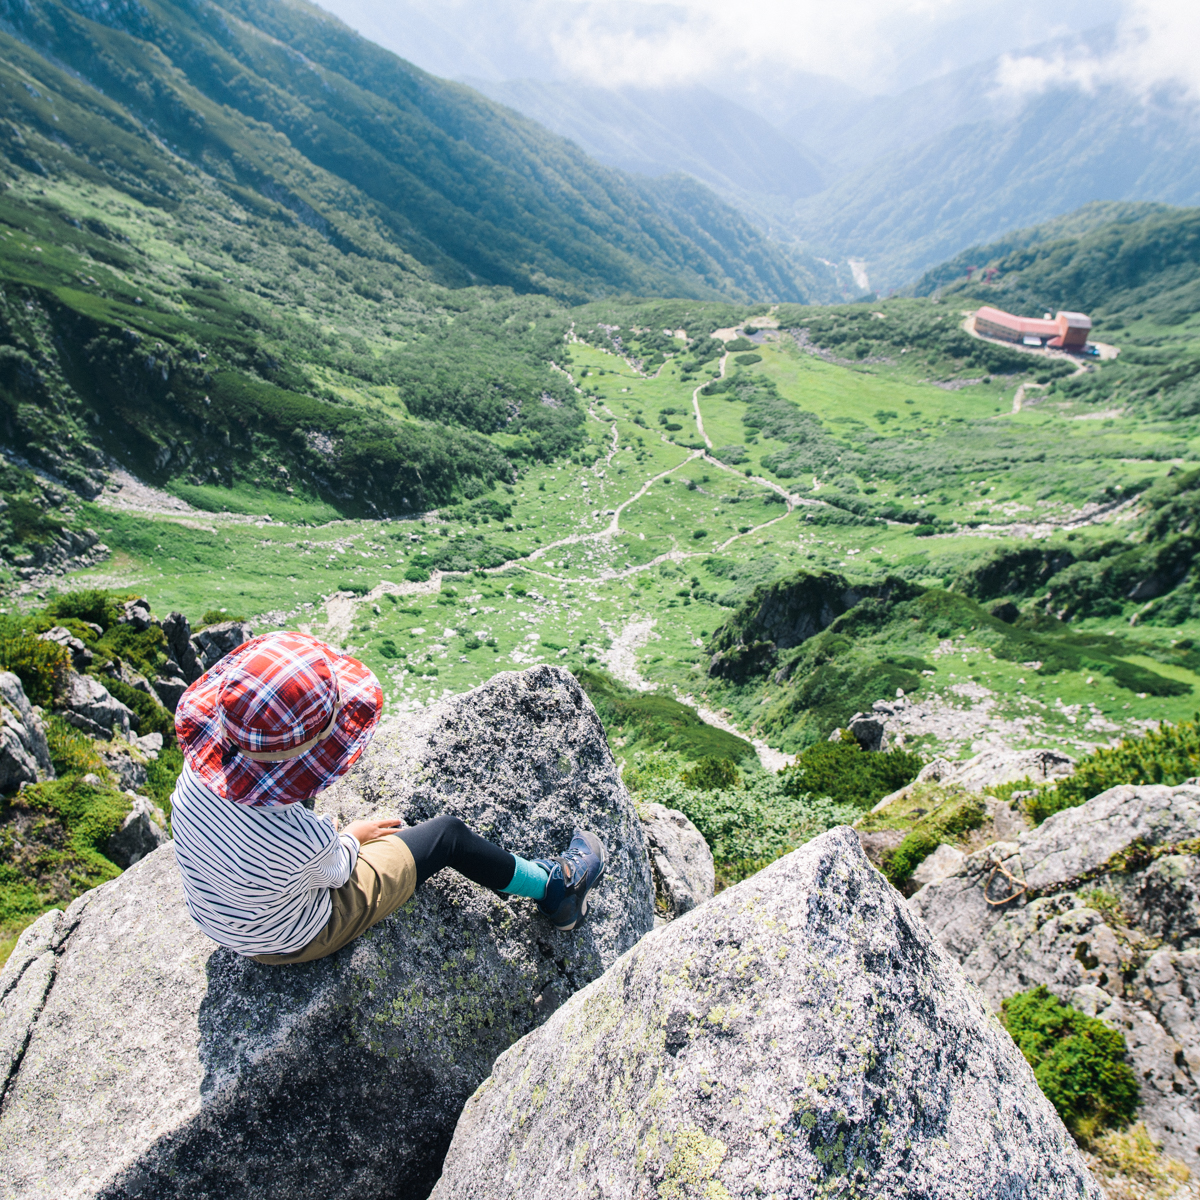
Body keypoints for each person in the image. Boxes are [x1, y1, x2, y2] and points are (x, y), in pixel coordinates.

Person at [168, 630, 606, 964]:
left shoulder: (195, 772)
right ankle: (554, 888)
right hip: (289, 937)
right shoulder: (299, 838)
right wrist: (352, 837)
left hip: (220, 923)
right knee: (447, 837)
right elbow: (337, 872)